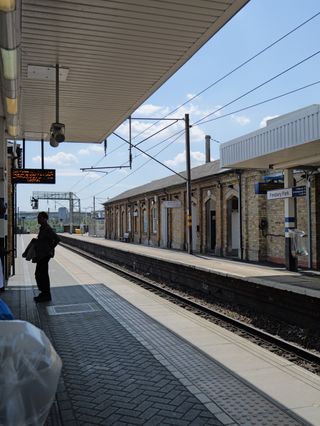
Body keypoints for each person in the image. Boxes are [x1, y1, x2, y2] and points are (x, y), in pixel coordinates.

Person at [33, 212, 60, 302]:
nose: (38, 219)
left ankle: (46, 294)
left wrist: (49, 249)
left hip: (44, 255)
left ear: (45, 219)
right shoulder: (42, 228)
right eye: (38, 217)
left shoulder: (47, 229)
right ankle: (43, 293)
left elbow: (57, 239)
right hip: (41, 255)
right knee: (39, 274)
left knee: (42, 275)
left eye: (39, 218)